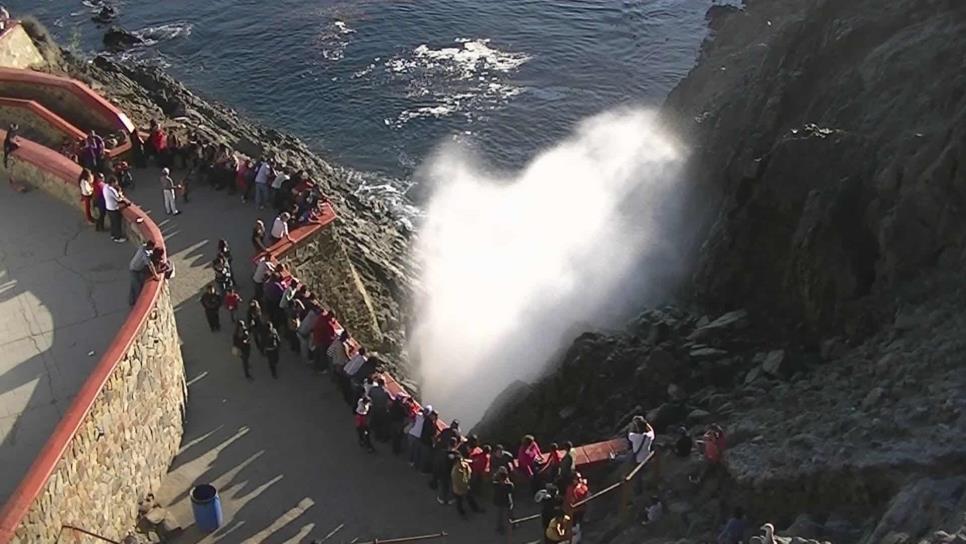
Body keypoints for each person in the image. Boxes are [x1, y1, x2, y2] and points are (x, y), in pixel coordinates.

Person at [128, 241, 158, 305]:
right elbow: (150, 265)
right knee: (137, 287)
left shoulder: (142, 247)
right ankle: (137, 303)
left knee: (134, 285)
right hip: (135, 270)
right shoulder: (145, 254)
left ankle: (132, 300)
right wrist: (156, 275)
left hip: (134, 267)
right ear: (149, 247)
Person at [452, 453, 481, 517]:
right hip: (459, 489)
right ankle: (461, 513)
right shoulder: (455, 471)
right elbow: (457, 482)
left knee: (470, 498)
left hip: (466, 486)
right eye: (460, 461)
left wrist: (468, 480)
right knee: (459, 501)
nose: (461, 462)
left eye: (461, 460)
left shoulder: (464, 465)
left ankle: (475, 509)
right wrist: (465, 486)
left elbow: (469, 472)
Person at [435, 436, 460, 505]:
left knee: (443, 486)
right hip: (452, 474)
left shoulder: (442, 453)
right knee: (451, 487)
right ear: (455, 444)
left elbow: (438, 463)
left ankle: (442, 498)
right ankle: (450, 499)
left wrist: (437, 473)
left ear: (448, 444)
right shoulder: (457, 455)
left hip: (443, 472)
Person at [103, 177, 129, 242]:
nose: (116, 183)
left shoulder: (105, 187)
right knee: (117, 223)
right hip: (114, 208)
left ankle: (113, 235)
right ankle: (117, 237)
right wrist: (120, 192)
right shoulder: (112, 190)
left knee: (112, 222)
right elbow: (118, 199)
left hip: (108, 207)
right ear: (112, 183)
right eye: (115, 182)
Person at [492, 466, 514, 534]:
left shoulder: (496, 484)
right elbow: (511, 489)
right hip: (502, 501)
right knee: (501, 515)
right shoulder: (506, 485)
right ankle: (500, 527)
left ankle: (510, 524)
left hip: (502, 500)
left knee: (507, 514)